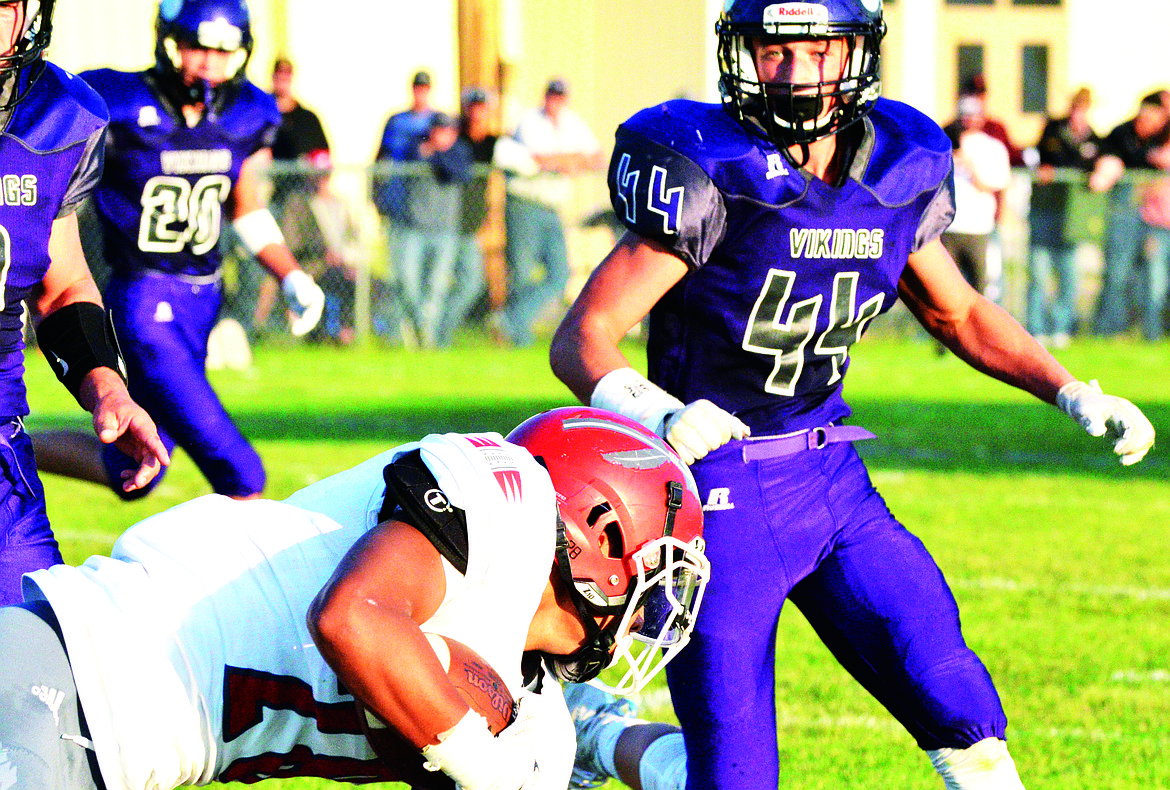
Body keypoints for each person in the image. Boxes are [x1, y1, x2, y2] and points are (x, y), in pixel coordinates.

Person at [549, 1, 1156, 788]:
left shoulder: (894, 170)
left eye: (815, 50)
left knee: (965, 719)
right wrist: (660, 410)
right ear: (745, 54)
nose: (794, 73)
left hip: (829, 479)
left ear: (855, 54)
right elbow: (584, 336)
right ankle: (602, 740)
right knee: (733, 780)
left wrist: (1072, 390)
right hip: (716, 495)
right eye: (773, 51)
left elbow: (958, 310)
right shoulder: (716, 172)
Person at [0, 406, 710, 790]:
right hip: (72, 671)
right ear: (602, 531)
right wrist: (488, 774)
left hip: (118, 749)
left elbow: (593, 738)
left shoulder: (531, 705)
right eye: (657, 574)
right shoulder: (506, 506)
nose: (650, 613)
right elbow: (353, 620)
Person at [30, 0, 325, 502]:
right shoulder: (119, 101)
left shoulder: (247, 112)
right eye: (196, 46)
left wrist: (292, 275)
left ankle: (9, 448)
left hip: (203, 300)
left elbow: (247, 209)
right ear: (170, 43)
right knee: (242, 472)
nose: (209, 60)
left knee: (133, 468)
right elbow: (44, 119)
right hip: (144, 299)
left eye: (222, 49)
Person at [0, 0, 168, 605]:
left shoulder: (57, 117)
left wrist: (107, 387)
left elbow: (63, 283)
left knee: (36, 661)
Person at [495, 78, 604, 347]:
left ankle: (510, 320)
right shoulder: (530, 121)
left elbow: (597, 157)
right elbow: (541, 159)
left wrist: (564, 160)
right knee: (521, 271)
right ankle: (518, 336)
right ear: (545, 97)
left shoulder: (572, 122)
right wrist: (571, 160)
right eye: (551, 96)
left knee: (560, 273)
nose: (555, 102)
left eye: (560, 97)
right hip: (525, 203)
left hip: (552, 207)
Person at [1088, 91, 1170, 340]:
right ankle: (1108, 328)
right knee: (1117, 272)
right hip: (1125, 214)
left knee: (1149, 277)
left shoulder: (1161, 136)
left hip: (1154, 220)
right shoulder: (1121, 134)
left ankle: (1144, 329)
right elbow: (1106, 159)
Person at [1026, 86, 1101, 348]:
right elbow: (1037, 157)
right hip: (1045, 210)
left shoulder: (1093, 139)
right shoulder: (1053, 129)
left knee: (1068, 274)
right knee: (1039, 271)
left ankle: (1061, 328)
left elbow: (1091, 167)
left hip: (1071, 217)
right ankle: (1036, 328)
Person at [396, 111, 474, 347]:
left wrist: (436, 155)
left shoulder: (458, 151)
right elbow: (409, 158)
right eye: (439, 131)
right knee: (407, 282)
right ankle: (418, 324)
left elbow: (458, 172)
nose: (443, 136)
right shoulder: (415, 146)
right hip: (414, 228)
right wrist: (432, 154)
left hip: (445, 232)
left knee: (436, 286)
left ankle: (428, 338)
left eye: (448, 131)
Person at [279, 149, 360, 344]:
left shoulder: (341, 203)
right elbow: (292, 242)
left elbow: (353, 238)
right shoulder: (299, 204)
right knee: (333, 282)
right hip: (313, 265)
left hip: (342, 266)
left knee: (361, 283)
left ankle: (346, 334)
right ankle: (320, 335)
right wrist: (323, 254)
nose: (321, 180)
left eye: (325, 175)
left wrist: (349, 260)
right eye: (317, 175)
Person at [941, 94, 1012, 300]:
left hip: (978, 227)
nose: (968, 120)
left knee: (981, 288)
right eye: (964, 115)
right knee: (946, 290)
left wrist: (970, 167)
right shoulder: (944, 143)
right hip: (948, 226)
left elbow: (995, 185)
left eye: (973, 115)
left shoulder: (992, 147)